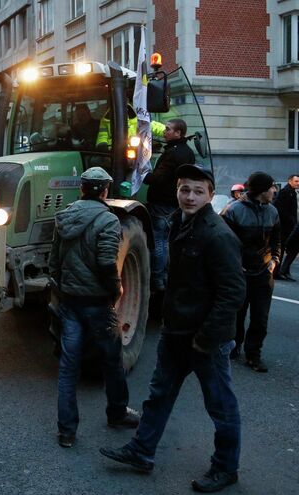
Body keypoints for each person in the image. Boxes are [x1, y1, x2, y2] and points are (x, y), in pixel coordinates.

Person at [100, 164, 245, 493]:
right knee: (159, 396)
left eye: (197, 191)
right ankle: (141, 451)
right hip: (176, 332)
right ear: (176, 191)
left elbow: (233, 293)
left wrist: (205, 339)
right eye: (184, 189)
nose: (189, 196)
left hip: (205, 340)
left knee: (221, 407)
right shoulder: (178, 222)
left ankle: (226, 468)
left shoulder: (218, 234)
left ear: (210, 195)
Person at [48, 166, 140, 448]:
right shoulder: (108, 220)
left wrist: (63, 291)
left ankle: (67, 432)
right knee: (112, 360)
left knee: (68, 368)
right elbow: (105, 263)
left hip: (70, 302)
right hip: (99, 304)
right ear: (105, 191)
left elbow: (54, 262)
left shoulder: (63, 217)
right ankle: (117, 413)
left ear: (81, 189)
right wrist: (116, 290)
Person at [221, 172, 280, 372]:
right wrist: (233, 266)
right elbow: (223, 242)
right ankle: (234, 346)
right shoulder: (233, 210)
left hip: (263, 273)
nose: (274, 190)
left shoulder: (273, 211)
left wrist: (274, 260)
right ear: (262, 191)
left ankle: (254, 355)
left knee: (260, 318)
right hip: (239, 272)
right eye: (271, 187)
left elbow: (276, 240)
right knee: (237, 313)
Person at [143, 119, 196, 293]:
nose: (164, 132)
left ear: (178, 133)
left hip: (162, 203)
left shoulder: (172, 153)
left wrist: (143, 174)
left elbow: (159, 178)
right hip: (175, 203)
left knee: (158, 241)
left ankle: (157, 277)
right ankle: (165, 276)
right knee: (167, 241)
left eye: (168, 129)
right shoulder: (188, 152)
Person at [95, 104, 165, 151]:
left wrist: (165, 131)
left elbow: (153, 126)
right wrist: (102, 145)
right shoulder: (106, 121)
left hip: (137, 151)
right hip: (113, 151)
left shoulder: (138, 120)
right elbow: (102, 136)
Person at [273, 174, 299, 279]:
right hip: (285, 227)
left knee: (293, 249)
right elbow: (280, 209)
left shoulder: (293, 192)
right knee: (282, 249)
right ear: (289, 181)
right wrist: (291, 220)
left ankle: (284, 271)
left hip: (292, 226)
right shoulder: (285, 192)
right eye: (296, 181)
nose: (298, 183)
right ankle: (277, 272)